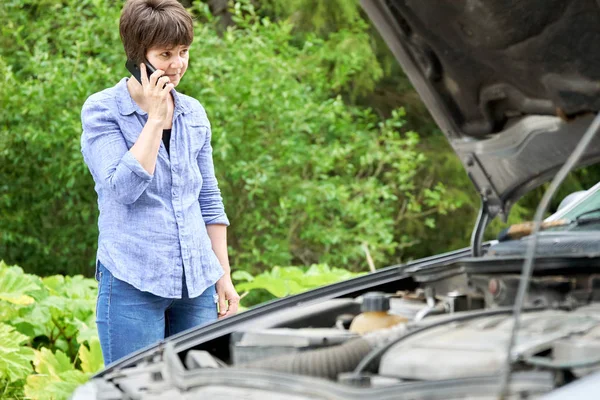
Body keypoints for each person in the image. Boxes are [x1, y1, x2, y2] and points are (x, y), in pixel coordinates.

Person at [80, 0, 239, 366]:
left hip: (196, 282)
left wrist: (223, 277)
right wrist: (153, 119)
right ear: (139, 56)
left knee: (197, 388)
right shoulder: (102, 110)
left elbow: (209, 201)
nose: (178, 64)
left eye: (184, 52)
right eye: (166, 53)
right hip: (132, 281)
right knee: (134, 388)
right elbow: (123, 189)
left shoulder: (194, 113)